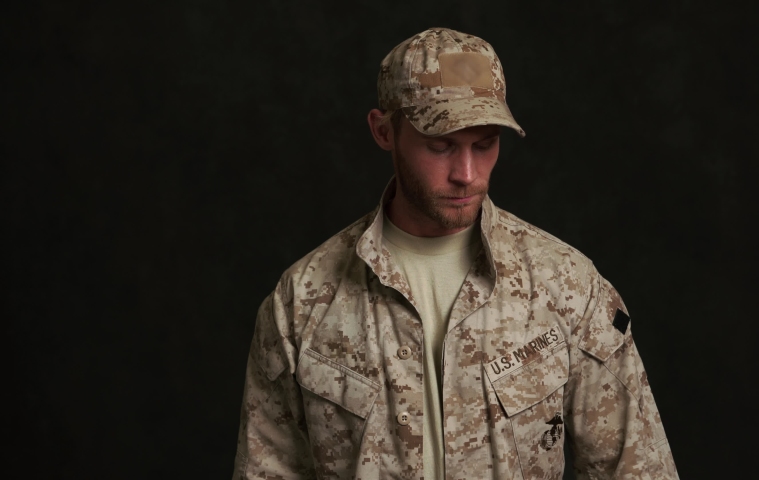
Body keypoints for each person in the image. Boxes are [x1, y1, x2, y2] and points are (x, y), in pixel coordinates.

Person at [232, 28, 679, 480]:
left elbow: (639, 471)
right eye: (440, 145)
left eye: (484, 144)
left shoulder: (568, 287)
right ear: (384, 131)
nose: (467, 174)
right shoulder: (301, 301)